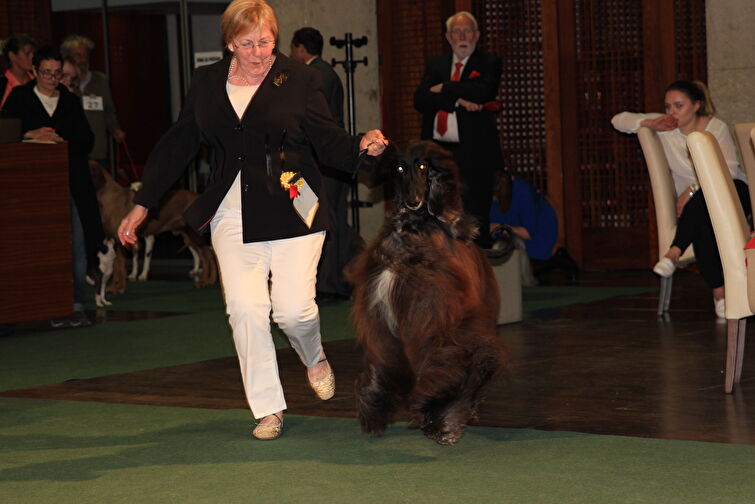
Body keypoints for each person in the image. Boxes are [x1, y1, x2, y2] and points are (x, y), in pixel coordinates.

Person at [117, 0, 387, 441]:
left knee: (294, 311)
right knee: (245, 309)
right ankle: (268, 408)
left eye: (266, 41)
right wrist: (143, 203)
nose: (260, 52)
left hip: (294, 202)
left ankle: (314, 355)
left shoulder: (300, 78)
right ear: (229, 44)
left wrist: (363, 146)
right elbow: (179, 142)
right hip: (232, 210)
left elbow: (328, 140)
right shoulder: (206, 83)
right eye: (248, 44)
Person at [612, 80, 750, 318]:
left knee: (705, 197)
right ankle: (720, 293)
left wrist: (692, 189)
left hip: (733, 192)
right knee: (705, 225)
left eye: (678, 106)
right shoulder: (667, 129)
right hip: (701, 207)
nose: (672, 112)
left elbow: (728, 171)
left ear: (696, 105)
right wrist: (649, 123)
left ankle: (674, 252)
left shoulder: (715, 127)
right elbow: (618, 120)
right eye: (667, 107)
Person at [3, 45, 104, 328]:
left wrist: (60, 138)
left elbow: (87, 139)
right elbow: (6, 132)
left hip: (70, 182)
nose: (51, 78)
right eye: (46, 72)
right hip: (30, 189)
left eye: (57, 73)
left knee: (76, 244)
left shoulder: (69, 100)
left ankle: (74, 304)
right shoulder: (20, 97)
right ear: (34, 71)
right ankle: (37, 306)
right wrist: (29, 134)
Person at [414, 11, 503, 249]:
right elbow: (420, 99)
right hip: (438, 151)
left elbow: (482, 92)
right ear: (448, 36)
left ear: (476, 35)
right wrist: (458, 100)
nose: (462, 36)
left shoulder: (489, 62)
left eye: (467, 31)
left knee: (475, 213)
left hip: (474, 152)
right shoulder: (437, 64)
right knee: (439, 210)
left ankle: (478, 266)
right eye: (456, 32)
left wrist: (444, 88)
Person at [290, 26, 354, 300]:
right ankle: (338, 281)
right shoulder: (330, 73)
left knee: (321, 219)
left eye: (292, 49)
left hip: (324, 160)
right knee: (336, 219)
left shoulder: (313, 76)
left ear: (300, 48)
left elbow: (316, 125)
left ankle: (329, 284)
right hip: (338, 161)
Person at [60, 34, 126, 169]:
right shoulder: (61, 83)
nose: (82, 59)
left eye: (85, 55)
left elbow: (108, 110)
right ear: (67, 57)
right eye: (77, 55)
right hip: (72, 148)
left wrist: (115, 129)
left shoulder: (100, 80)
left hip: (97, 147)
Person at [490, 171, 559, 284]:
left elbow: (528, 233)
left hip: (534, 238)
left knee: (511, 249)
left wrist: (498, 227)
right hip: (504, 237)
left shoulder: (523, 191)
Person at [1, 34, 36, 109]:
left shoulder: (37, 79)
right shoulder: (4, 85)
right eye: (27, 54)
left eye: (33, 53)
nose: (32, 57)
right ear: (12, 56)